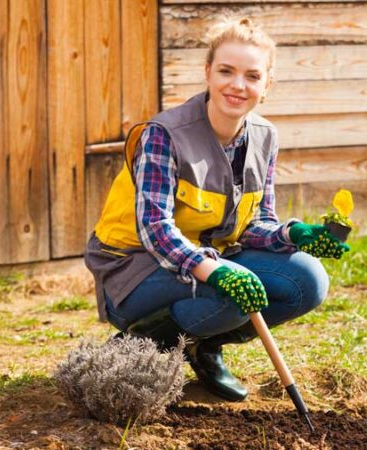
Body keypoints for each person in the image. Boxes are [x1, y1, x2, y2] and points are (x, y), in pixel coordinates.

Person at [84, 18, 349, 402]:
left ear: (266, 85)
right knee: (232, 292)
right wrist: (217, 270)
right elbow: (155, 228)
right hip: (135, 270)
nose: (237, 85)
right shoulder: (164, 134)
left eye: (252, 76)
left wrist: (293, 235)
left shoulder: (264, 137)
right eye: (226, 71)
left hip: (206, 262)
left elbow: (253, 224)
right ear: (207, 73)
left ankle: (201, 345)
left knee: (308, 281)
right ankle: (136, 342)